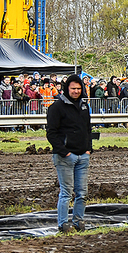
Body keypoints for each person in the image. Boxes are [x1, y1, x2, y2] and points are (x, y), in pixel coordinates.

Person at [46, 74, 93, 233]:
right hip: (66, 157)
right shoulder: (56, 108)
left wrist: (88, 149)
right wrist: (64, 152)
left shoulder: (84, 106)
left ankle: (78, 221)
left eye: (79, 88)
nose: (76, 91)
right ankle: (63, 224)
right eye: (73, 88)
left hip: (82, 156)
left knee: (82, 193)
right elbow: (51, 133)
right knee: (66, 193)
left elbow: (88, 129)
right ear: (67, 89)